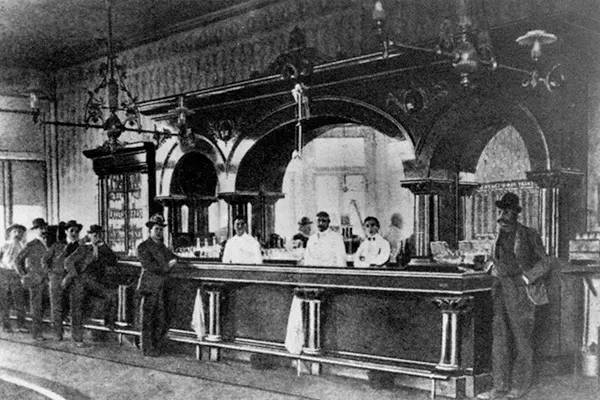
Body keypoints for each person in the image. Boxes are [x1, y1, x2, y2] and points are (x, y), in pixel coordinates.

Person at [477, 192, 551, 400]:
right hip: (500, 290)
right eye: (500, 211)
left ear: (515, 214)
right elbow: (491, 259)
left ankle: (519, 386)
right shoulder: (497, 236)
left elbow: (545, 262)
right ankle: (499, 387)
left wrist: (528, 278)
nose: (502, 216)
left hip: (521, 291)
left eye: (507, 211)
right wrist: (490, 265)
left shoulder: (529, 234)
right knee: (499, 340)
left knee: (522, 339)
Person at [64, 224, 118, 346]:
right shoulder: (84, 248)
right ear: (89, 235)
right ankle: (77, 338)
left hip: (94, 282)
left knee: (111, 296)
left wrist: (103, 245)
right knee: (76, 307)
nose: (97, 237)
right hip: (80, 280)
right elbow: (67, 261)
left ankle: (108, 323)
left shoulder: (103, 249)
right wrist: (75, 274)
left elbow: (113, 260)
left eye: (99, 235)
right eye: (95, 235)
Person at [136, 214, 178, 357]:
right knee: (148, 319)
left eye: (161, 229)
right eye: (156, 229)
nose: (159, 232)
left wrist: (172, 261)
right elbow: (150, 266)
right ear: (150, 230)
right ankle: (147, 348)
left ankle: (156, 346)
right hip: (149, 287)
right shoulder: (143, 247)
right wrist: (167, 265)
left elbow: (174, 257)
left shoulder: (162, 246)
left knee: (160, 318)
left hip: (161, 287)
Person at [42, 219, 83, 341]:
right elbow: (44, 260)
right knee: (56, 307)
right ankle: (57, 334)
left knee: (76, 308)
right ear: (66, 231)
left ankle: (76, 337)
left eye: (77, 231)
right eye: (72, 230)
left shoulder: (82, 247)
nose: (74, 233)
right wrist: (50, 274)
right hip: (56, 279)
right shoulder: (57, 246)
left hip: (74, 280)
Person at [15, 218, 49, 340]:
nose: (43, 230)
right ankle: (37, 333)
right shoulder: (31, 244)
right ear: (36, 230)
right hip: (35, 279)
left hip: (47, 279)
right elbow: (17, 261)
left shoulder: (49, 243)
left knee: (45, 306)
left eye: (44, 227)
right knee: (36, 306)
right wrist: (24, 276)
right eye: (41, 228)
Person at [0, 223, 28, 333]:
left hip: (17, 275)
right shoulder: (4, 245)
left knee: (19, 300)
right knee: (4, 301)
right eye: (15, 231)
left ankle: (21, 325)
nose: (17, 234)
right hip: (4, 273)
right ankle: (6, 325)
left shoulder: (24, 246)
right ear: (10, 233)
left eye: (20, 232)